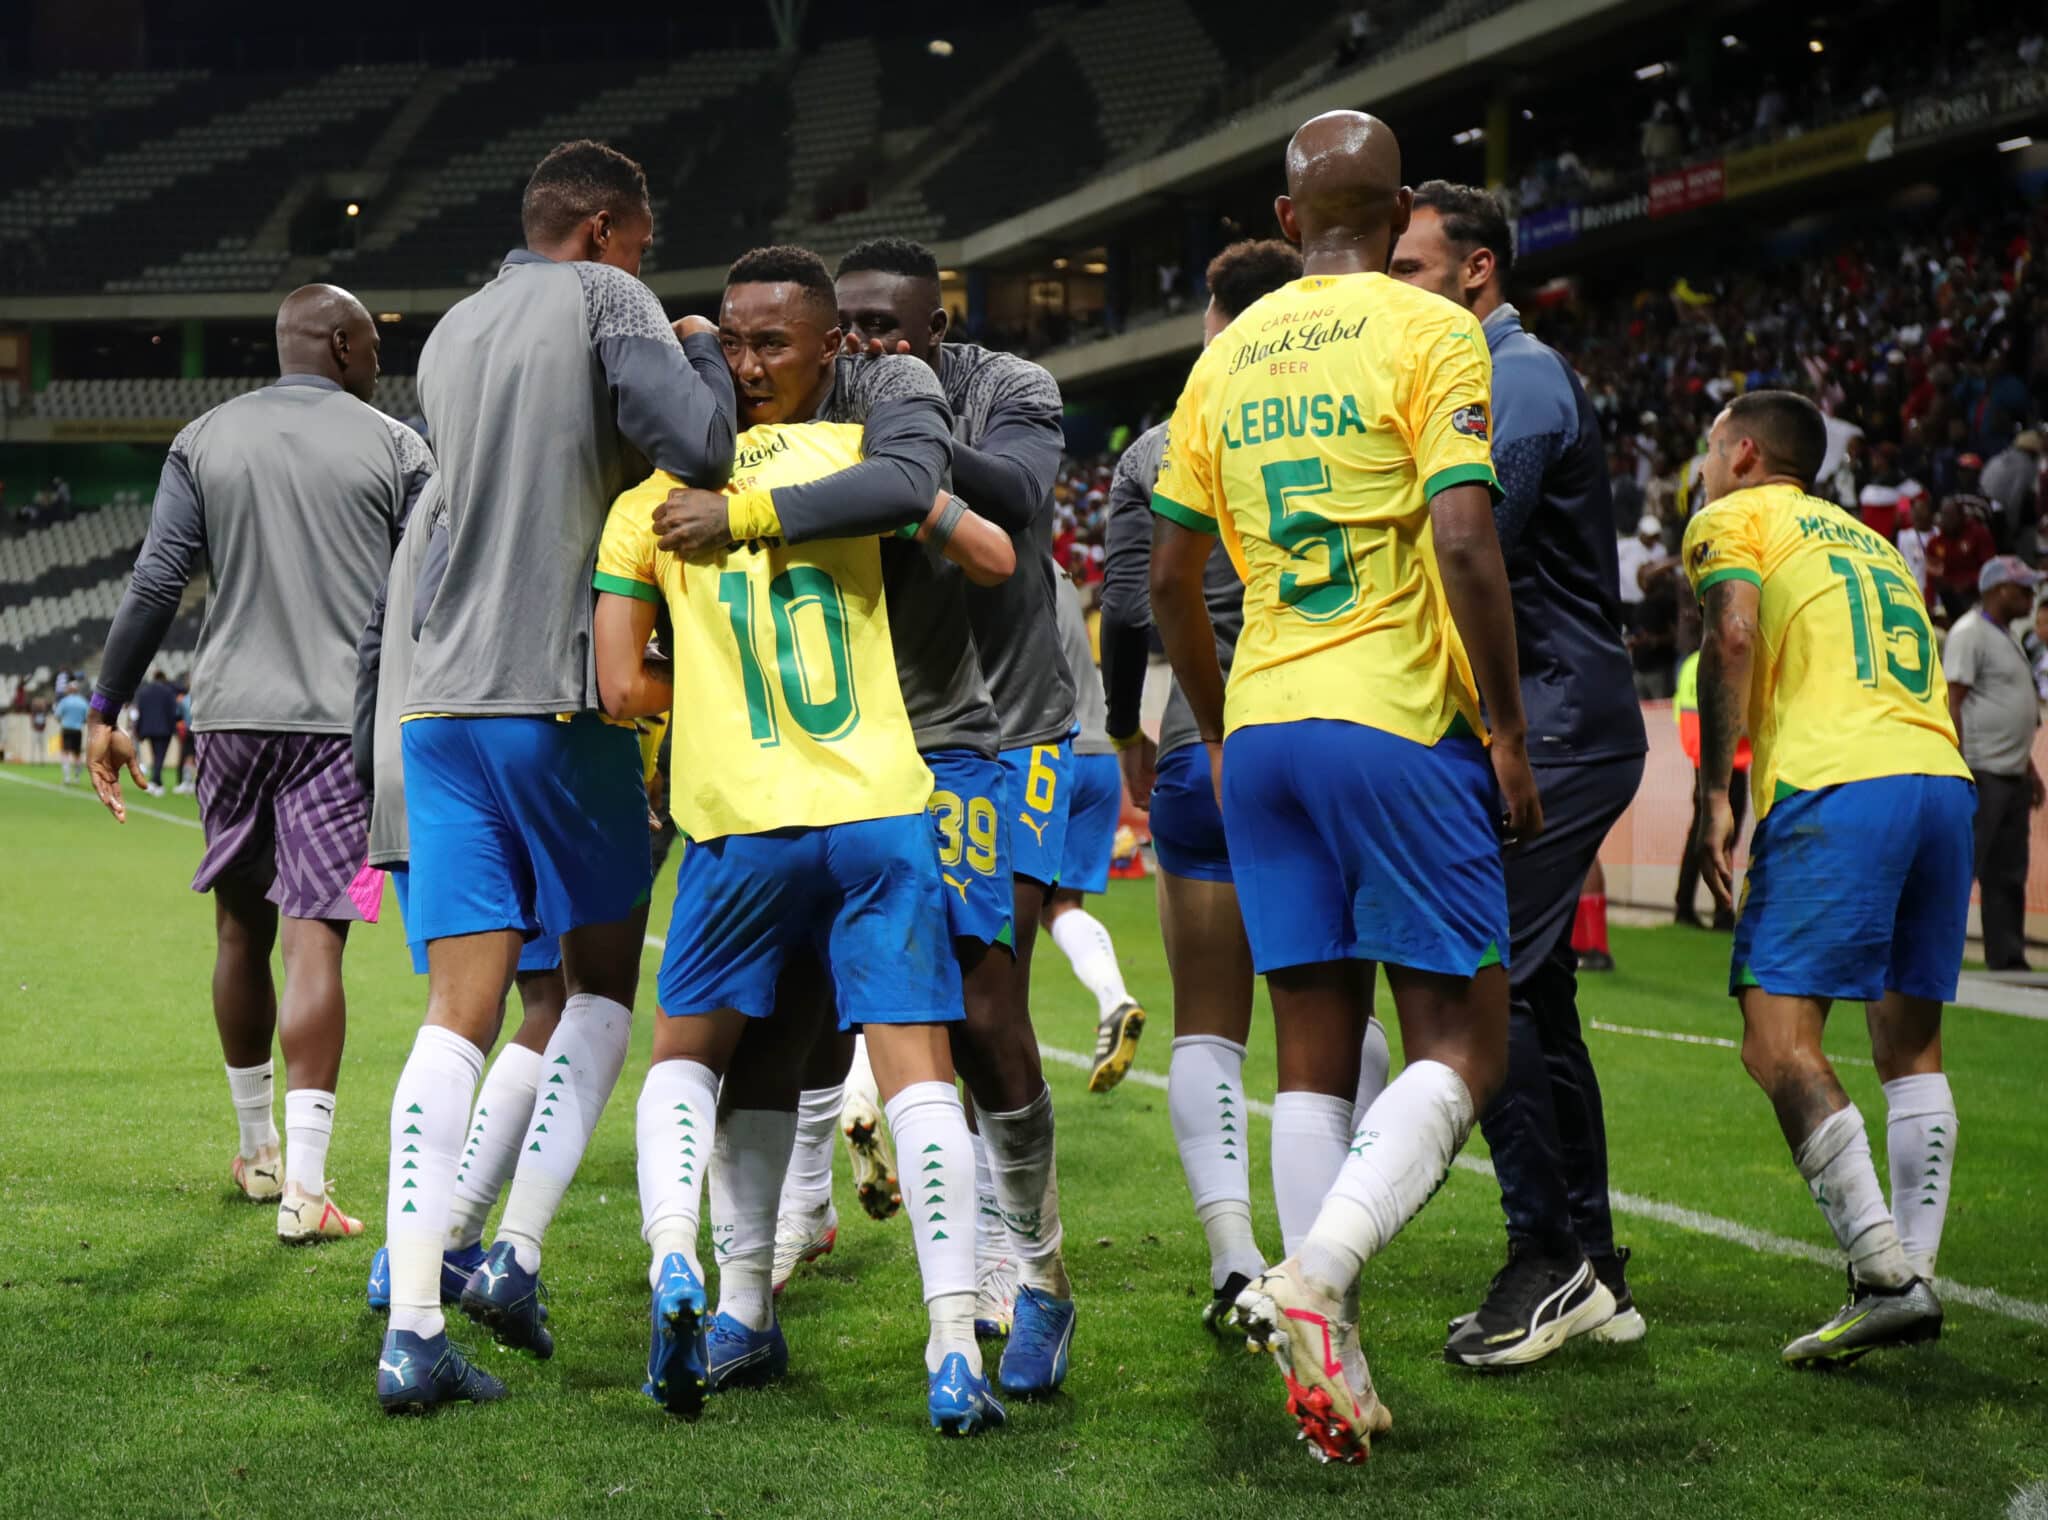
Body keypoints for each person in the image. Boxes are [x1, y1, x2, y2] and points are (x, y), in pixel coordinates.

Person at [1151, 110, 1540, 1462]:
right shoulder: (1437, 331)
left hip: (1261, 729)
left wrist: (1217, 725)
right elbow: (1466, 539)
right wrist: (1506, 729)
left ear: (1286, 208)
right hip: (1394, 718)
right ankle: (1315, 1281)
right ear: (1399, 216)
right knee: (1467, 1045)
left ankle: (1329, 1374)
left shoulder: (1227, 353)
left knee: (1311, 1051)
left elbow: (1163, 584)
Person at [595, 244, 1013, 1433]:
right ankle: (948, 1345)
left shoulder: (650, 504)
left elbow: (621, 689)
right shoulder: (856, 462)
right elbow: (986, 547)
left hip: (738, 820)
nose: (741, 361)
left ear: (829, 344)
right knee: (915, 1071)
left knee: (690, 1056)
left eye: (762, 341)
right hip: (878, 805)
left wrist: (708, 689)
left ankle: (685, 1263)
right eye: (727, 341)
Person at [374, 140, 739, 1414]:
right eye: (641, 242)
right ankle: (512, 1255)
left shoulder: (453, 328)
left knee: (455, 1008)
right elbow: (697, 443)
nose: (646, 262)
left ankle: (413, 1317)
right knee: (594, 988)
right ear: (597, 228)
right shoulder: (605, 297)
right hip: (551, 695)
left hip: (440, 706)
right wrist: (693, 340)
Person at [780, 235, 1083, 1382]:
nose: (862, 343)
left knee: (985, 998)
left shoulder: (1006, 387)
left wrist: (904, 437)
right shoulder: (810, 398)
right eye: (845, 326)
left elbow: (1018, 493)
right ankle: (797, 1207)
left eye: (886, 328)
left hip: (1012, 733)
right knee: (820, 987)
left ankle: (1034, 1268)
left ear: (936, 331)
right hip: (878, 734)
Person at [84, 282, 430, 1249]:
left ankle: (257, 1151)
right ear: (334, 341)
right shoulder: (399, 446)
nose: (376, 359)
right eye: (368, 341)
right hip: (346, 729)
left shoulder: (203, 438)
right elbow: (428, 591)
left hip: (228, 719)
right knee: (316, 939)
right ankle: (307, 1187)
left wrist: (107, 706)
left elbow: (158, 578)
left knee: (239, 931)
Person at [1105, 236, 1399, 1332]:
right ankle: (1331, 1249)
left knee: (1207, 1025)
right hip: (1345, 722)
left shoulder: (1159, 441)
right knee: (1336, 1014)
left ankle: (1236, 1261)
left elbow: (1135, 606)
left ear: (1210, 318)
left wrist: (1129, 728)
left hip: (1206, 737)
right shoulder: (1363, 395)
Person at [1391, 179, 1649, 1366]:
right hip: (1541, 708)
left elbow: (1470, 535)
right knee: (1534, 991)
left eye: (1408, 268)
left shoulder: (1516, 377)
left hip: (1546, 715)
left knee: (1481, 984)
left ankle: (1544, 1256)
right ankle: (1587, 1261)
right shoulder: (1478, 373)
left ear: (1476, 271)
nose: (1390, 288)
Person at [1686, 389, 1969, 1366]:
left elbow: (1729, 638)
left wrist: (1712, 794)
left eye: (1708, 446)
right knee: (1910, 1044)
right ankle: (1907, 1276)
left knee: (1774, 1040)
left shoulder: (1732, 516)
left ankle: (1882, 1272)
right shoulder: (1871, 541)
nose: (1700, 463)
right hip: (1937, 778)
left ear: (1744, 453)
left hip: (1836, 779)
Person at [354, 489, 572, 1316]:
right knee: (555, 1001)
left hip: (408, 765)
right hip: (496, 758)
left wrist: (369, 774)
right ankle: (446, 1238)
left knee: (454, 1009)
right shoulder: (522, 470)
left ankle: (416, 1268)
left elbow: (378, 638)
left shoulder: (426, 496)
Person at [1046, 568, 1146, 1092]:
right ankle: (1114, 996)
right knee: (1063, 907)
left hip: (1043, 756)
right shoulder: (1062, 574)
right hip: (1099, 757)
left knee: (995, 936)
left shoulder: (993, 557)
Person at [1943, 556, 2045, 973]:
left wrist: (2029, 769)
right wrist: (1956, 765)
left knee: (2008, 872)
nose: (2030, 597)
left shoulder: (2006, 636)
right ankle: (1936, 951)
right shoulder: (1970, 633)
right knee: (1962, 865)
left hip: (2010, 774)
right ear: (1998, 589)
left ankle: (2006, 956)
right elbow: (1954, 700)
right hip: (1980, 771)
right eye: (2022, 590)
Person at [1673, 648, 1749, 930]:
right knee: (1725, 834)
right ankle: (1722, 910)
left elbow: (1678, 713)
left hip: (1699, 757)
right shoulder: (1733, 660)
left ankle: (1684, 905)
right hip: (1732, 762)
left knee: (1700, 832)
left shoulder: (1691, 662)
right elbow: (1740, 721)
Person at [1925, 495, 1996, 623]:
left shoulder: (1978, 534)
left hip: (1976, 595)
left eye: (1952, 516)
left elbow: (1990, 569)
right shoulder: (1935, 543)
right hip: (1948, 598)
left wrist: (1970, 582)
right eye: (1945, 516)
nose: (1948, 521)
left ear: (1961, 516)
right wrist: (1929, 605)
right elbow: (1931, 578)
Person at [133, 668, 179, 795]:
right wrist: (173, 729)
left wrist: (138, 729)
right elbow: (172, 712)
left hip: (148, 729)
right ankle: (154, 782)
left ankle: (157, 782)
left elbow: (139, 711)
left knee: (155, 755)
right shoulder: (168, 692)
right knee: (160, 756)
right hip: (164, 729)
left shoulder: (144, 692)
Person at [54, 684, 87, 784]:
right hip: (77, 730)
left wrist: (63, 720)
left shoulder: (65, 701)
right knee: (77, 754)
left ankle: (67, 777)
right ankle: (77, 778)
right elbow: (87, 716)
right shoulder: (83, 702)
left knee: (65, 752)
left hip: (67, 728)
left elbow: (57, 715)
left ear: (69, 690)